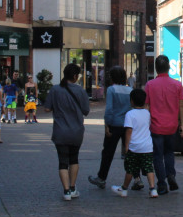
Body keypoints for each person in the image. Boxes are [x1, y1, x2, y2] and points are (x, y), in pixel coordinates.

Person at [44, 63, 90, 201]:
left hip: (60, 131)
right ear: (75, 76)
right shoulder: (81, 91)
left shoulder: (55, 89)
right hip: (76, 131)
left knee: (62, 161)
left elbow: (46, 108)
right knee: (74, 159)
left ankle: (66, 191)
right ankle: (72, 187)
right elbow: (86, 111)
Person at [146, 55, 183, 195]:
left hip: (156, 126)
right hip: (172, 126)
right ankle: (171, 175)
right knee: (169, 153)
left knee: (157, 155)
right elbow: (181, 106)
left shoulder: (150, 85)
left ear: (156, 68)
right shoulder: (177, 85)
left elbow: (147, 107)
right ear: (169, 67)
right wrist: (182, 125)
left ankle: (162, 183)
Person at [87, 65, 132, 189]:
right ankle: (136, 178)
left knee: (108, 152)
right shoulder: (130, 90)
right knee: (129, 152)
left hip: (114, 124)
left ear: (113, 77)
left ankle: (102, 177)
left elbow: (109, 110)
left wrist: (107, 125)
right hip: (127, 125)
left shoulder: (112, 90)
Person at [111, 88, 159, 198]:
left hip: (134, 146)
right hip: (147, 146)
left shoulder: (130, 114)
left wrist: (126, 145)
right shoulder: (147, 113)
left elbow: (129, 130)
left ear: (131, 101)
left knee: (130, 168)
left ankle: (124, 188)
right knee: (148, 168)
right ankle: (152, 189)